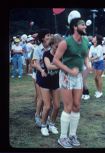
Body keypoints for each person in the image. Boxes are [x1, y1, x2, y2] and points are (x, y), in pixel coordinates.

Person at [53, 10, 90, 148]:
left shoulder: (85, 40)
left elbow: (85, 55)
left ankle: (72, 135)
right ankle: (63, 138)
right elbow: (56, 60)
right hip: (66, 76)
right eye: (82, 25)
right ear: (75, 27)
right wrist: (69, 71)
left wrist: (88, 64)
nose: (85, 26)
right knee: (68, 106)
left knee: (77, 105)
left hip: (78, 76)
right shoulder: (65, 42)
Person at [39, 34, 63, 136]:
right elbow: (48, 66)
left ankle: (52, 124)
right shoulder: (46, 54)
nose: (58, 49)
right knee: (47, 106)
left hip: (56, 82)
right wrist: (61, 65)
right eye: (57, 46)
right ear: (52, 44)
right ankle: (43, 125)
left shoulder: (62, 54)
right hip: (45, 82)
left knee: (57, 106)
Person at [32, 29, 51, 128]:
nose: (50, 36)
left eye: (50, 35)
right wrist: (42, 70)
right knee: (41, 97)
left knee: (48, 98)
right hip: (38, 74)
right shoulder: (37, 49)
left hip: (48, 75)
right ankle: (37, 116)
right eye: (48, 35)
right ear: (43, 38)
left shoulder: (51, 48)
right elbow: (35, 64)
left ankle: (45, 115)